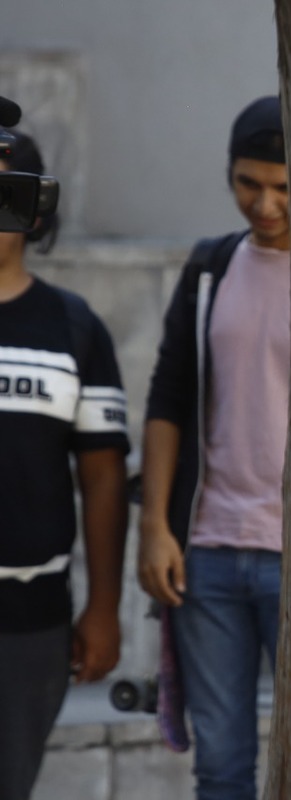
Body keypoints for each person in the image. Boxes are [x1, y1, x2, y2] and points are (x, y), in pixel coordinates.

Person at [136, 95, 290, 800]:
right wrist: (156, 526)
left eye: (283, 187)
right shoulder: (209, 268)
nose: (263, 204)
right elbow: (168, 399)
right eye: (247, 183)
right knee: (220, 769)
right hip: (208, 555)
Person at [0, 127, 129, 800]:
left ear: (35, 208)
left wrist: (104, 607)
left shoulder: (72, 328)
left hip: (28, 620)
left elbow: (103, 476)